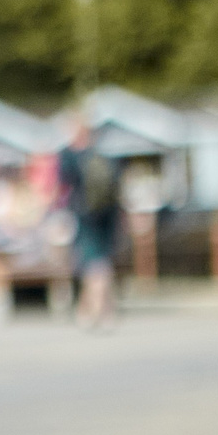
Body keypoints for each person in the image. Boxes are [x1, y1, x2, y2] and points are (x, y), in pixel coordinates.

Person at [57, 118, 122, 329]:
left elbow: (61, 186)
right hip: (108, 214)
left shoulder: (69, 156)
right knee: (100, 261)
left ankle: (98, 311)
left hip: (85, 214)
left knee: (93, 264)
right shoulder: (102, 154)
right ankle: (98, 310)